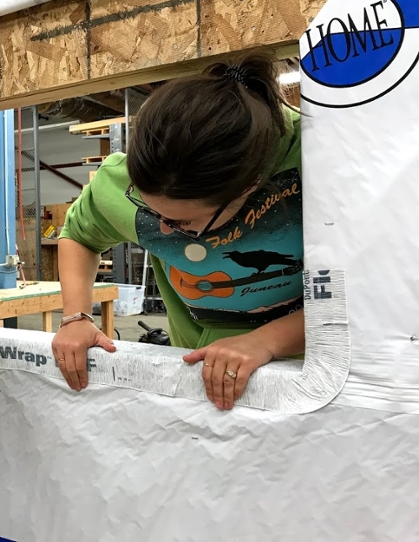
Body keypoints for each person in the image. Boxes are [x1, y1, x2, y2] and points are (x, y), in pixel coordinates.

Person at [53, 52, 303, 411]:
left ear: (251, 186)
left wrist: (268, 340)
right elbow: (79, 236)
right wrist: (76, 317)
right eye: (150, 210)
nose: (164, 228)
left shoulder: (319, 162)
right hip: (196, 369)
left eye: (183, 223)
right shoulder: (121, 182)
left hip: (308, 373)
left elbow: (370, 289)